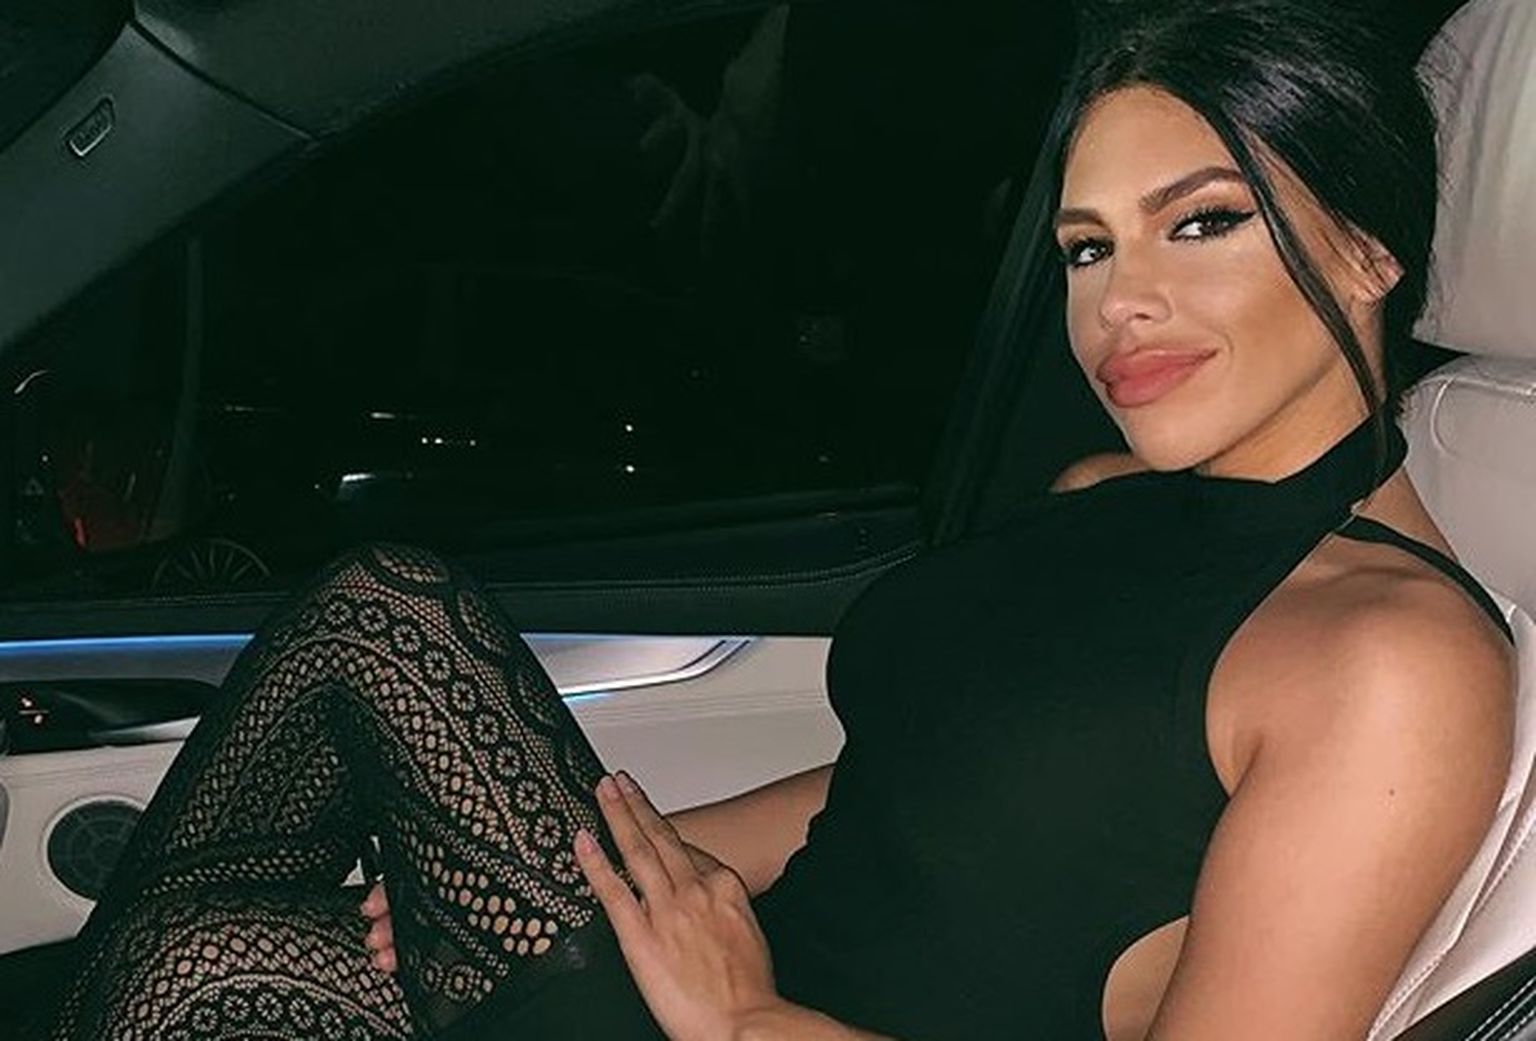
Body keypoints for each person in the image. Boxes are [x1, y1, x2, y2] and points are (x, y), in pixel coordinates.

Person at [43, 1, 1517, 1039]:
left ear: (1367, 246)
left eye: (1202, 221)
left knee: (378, 628)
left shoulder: (1393, 664)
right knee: (213, 953)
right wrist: (626, 873)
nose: (1120, 301)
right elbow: (930, 778)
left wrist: (747, 1016)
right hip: (719, 976)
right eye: (1086, 247)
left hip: (777, 1022)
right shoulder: (1113, 498)